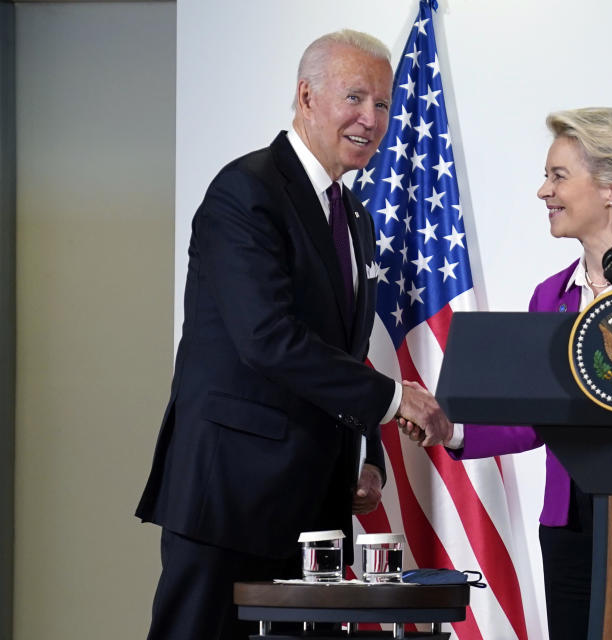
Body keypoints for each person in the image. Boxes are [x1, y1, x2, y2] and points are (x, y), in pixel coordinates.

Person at [136, 30, 452, 640]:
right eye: (355, 97)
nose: (371, 119)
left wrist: (366, 454)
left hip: (315, 510)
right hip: (230, 498)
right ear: (306, 96)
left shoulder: (354, 216)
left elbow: (343, 355)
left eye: (383, 104)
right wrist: (392, 400)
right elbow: (266, 337)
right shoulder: (245, 191)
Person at [401, 107, 612, 639]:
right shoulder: (549, 297)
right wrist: (450, 428)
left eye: (558, 176)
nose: (542, 192)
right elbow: (535, 418)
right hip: (569, 523)